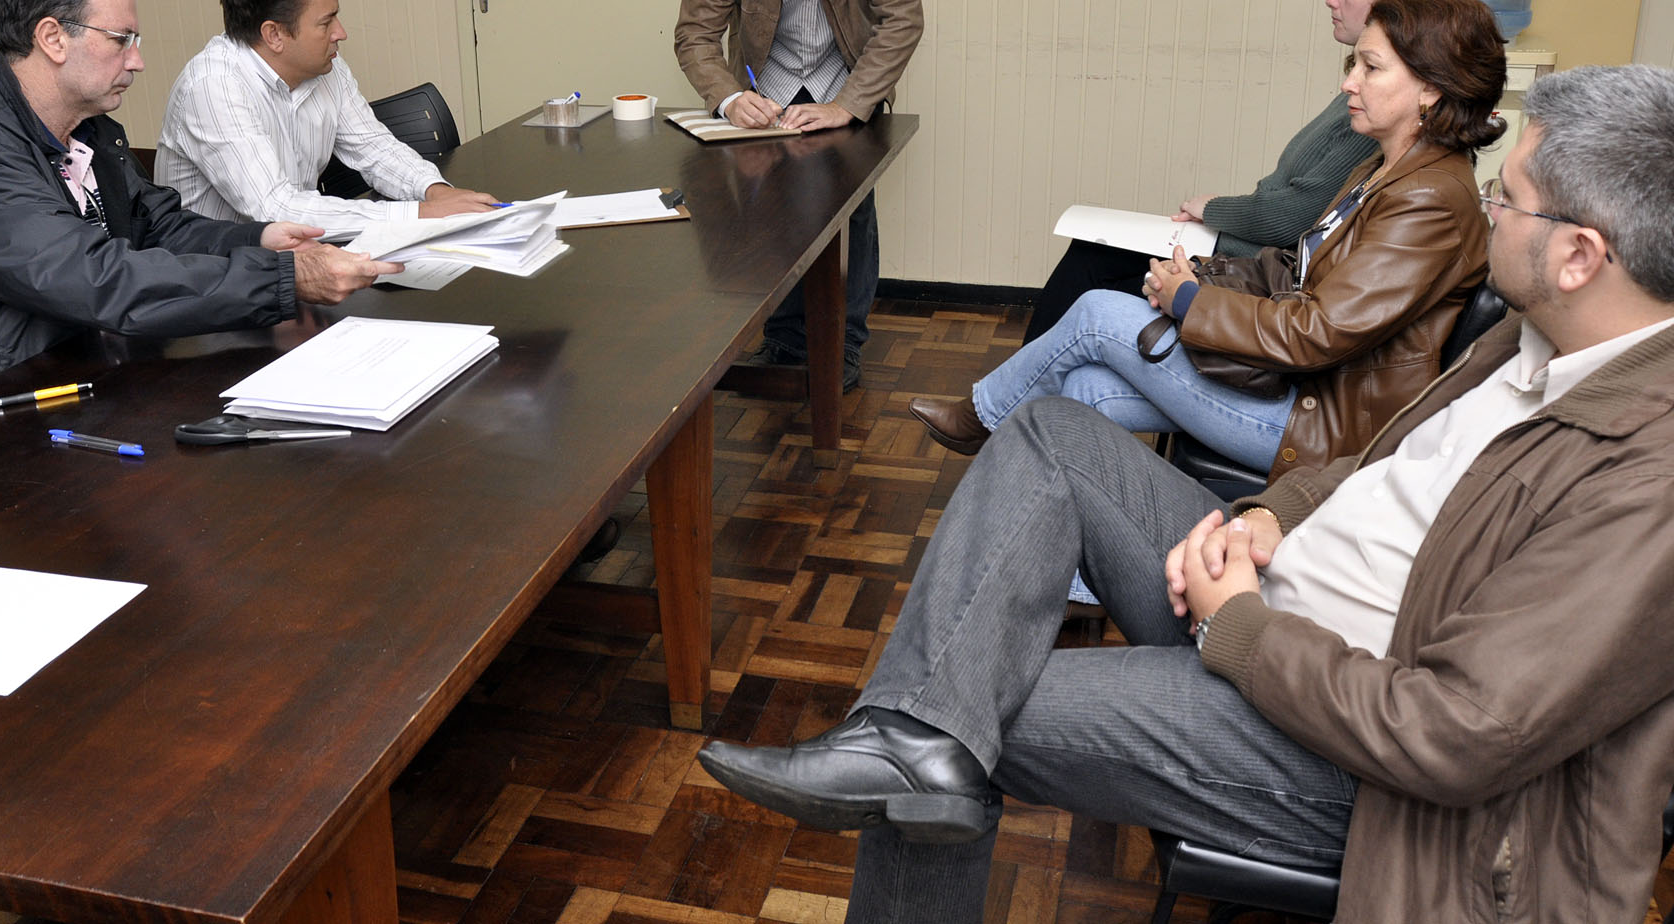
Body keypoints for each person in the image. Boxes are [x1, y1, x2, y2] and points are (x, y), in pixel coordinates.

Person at [699, 63, 1674, 923]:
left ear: (1582, 253)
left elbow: (1455, 736)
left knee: (957, 715)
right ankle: (917, 741)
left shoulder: (1648, 479)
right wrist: (1269, 515)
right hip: (1268, 602)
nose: (1487, 212)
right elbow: (1380, 465)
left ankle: (919, 744)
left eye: (1508, 200)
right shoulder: (1536, 335)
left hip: (1357, 760)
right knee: (1048, 431)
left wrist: (1240, 624)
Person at [911, 0, 1504, 484]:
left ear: (1431, 88)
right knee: (1085, 391)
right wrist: (1199, 276)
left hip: (1323, 423)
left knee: (1094, 311)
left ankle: (982, 415)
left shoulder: (1431, 199)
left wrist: (1191, 301)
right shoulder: (1387, 167)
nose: (1350, 82)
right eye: (1356, 64)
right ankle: (1079, 584)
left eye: (1370, 68)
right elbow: (1295, 269)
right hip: (1298, 390)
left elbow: (1319, 333)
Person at [0, 0, 399, 429]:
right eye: (121, 40)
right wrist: (284, 278)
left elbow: (156, 225)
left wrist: (259, 240)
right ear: (53, 37)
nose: (137, 60)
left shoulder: (89, 128)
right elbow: (96, 278)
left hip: (73, 377)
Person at [1022, 0, 1451, 346]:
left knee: (1091, 266)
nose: (1331, 0)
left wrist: (1214, 209)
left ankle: (1005, 405)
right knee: (1092, 257)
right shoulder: (1365, 90)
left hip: (1266, 269)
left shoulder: (1386, 106)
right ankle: (1018, 402)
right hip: (1257, 254)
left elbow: (1296, 217)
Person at [675, 0, 925, 390]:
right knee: (768, 204)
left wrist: (849, 105)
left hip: (844, 71)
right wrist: (727, 97)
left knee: (851, 203)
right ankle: (785, 338)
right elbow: (696, 34)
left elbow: (902, 19)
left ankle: (844, 344)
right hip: (767, 76)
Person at [157, 0, 499, 231]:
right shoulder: (213, 87)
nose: (341, 33)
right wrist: (420, 214)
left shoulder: (324, 66)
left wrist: (434, 190)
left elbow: (373, 148)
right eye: (326, 22)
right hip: (216, 282)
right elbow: (276, 209)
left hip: (289, 260)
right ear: (274, 34)